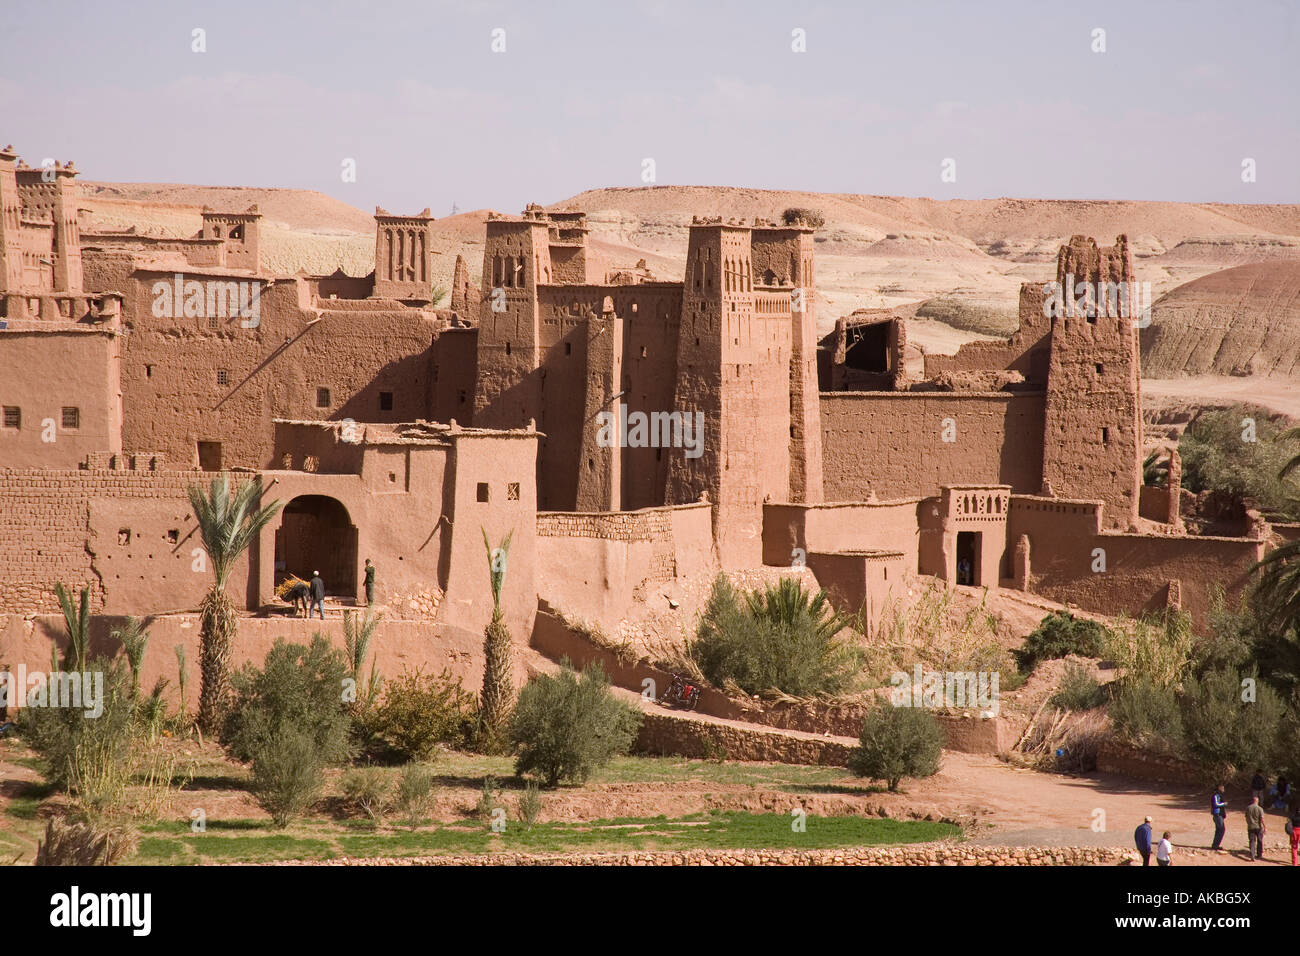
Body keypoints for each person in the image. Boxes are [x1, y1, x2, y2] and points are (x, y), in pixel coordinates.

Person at [1245, 795, 1265, 861]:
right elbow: (1261, 819)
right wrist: (1265, 826)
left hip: (1251, 827)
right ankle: (1259, 855)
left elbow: (1246, 817)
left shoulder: (1248, 808)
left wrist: (1249, 823)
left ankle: (1252, 855)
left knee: (1252, 841)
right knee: (1260, 840)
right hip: (1258, 827)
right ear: (1257, 801)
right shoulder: (1260, 809)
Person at [1210, 784, 1227, 850]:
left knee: (1218, 830)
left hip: (1219, 814)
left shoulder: (1219, 795)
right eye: (1222, 788)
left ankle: (1215, 845)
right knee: (1221, 829)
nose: (1223, 790)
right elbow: (1215, 804)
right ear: (1220, 788)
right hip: (1217, 814)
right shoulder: (1215, 795)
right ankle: (1216, 845)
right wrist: (1223, 804)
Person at [1288, 798, 1300, 867]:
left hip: (1294, 832)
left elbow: (1289, 825)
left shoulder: (1292, 817)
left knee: (1294, 848)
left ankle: (1295, 863)